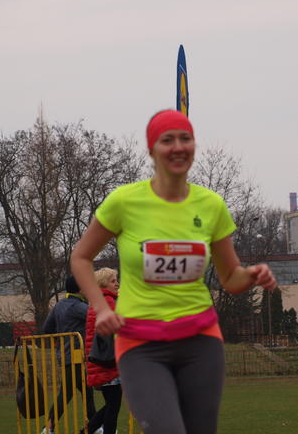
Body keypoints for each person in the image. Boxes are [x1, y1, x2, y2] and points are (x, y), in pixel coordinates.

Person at [70, 109, 276, 434]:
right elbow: (81, 258)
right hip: (140, 344)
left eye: (185, 139)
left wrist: (252, 275)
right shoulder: (124, 202)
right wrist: (101, 307)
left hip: (200, 341)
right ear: (152, 149)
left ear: (194, 146)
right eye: (167, 140)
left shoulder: (211, 205)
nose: (178, 147)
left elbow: (230, 278)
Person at [42, 276, 96, 434]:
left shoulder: (59, 305)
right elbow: (96, 316)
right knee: (66, 394)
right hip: (75, 356)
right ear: (80, 289)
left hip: (65, 355)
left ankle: (95, 426)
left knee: (87, 392)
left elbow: (47, 328)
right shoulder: (78, 306)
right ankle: (48, 428)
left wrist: (61, 338)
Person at [83, 268, 122, 434]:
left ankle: (86, 431)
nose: (117, 283)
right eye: (113, 281)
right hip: (108, 361)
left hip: (100, 360)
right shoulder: (109, 301)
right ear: (104, 284)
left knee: (111, 404)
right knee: (113, 406)